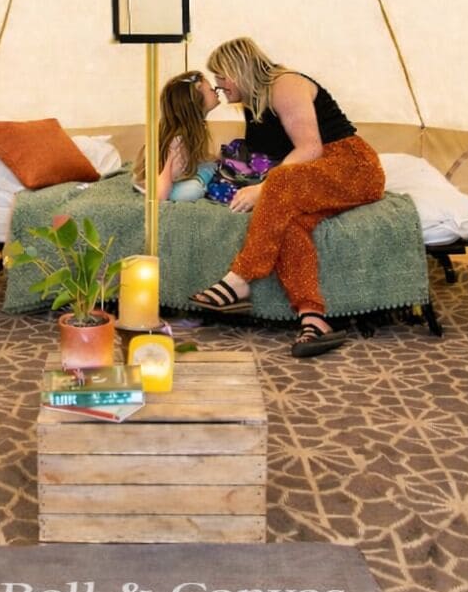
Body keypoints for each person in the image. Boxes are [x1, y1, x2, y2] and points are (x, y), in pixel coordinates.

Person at [189, 37, 385, 357]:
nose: (218, 85)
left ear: (236, 71)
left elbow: (309, 148)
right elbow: (267, 159)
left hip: (352, 167)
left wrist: (264, 188)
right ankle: (313, 319)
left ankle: (240, 278)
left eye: (220, 77)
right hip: (313, 178)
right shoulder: (253, 104)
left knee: (278, 181)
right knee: (290, 225)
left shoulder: (284, 84)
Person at [134, 70, 220, 202]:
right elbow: (160, 194)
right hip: (163, 186)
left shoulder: (194, 132)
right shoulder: (174, 143)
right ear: (196, 97)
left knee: (211, 163)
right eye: (211, 89)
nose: (216, 91)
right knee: (192, 190)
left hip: (174, 179)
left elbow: (198, 160)